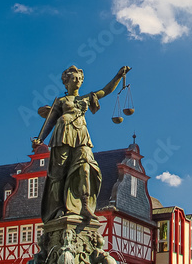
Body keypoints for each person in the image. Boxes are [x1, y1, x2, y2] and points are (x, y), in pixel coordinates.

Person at [33, 65, 131, 222]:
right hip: (63, 135)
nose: (77, 81)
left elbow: (106, 91)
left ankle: (85, 206)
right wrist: (40, 140)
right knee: (59, 174)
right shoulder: (61, 101)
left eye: (79, 78)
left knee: (86, 167)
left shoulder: (85, 98)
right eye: (74, 78)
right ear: (66, 82)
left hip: (81, 135)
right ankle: (58, 209)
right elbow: (50, 121)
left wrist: (119, 76)